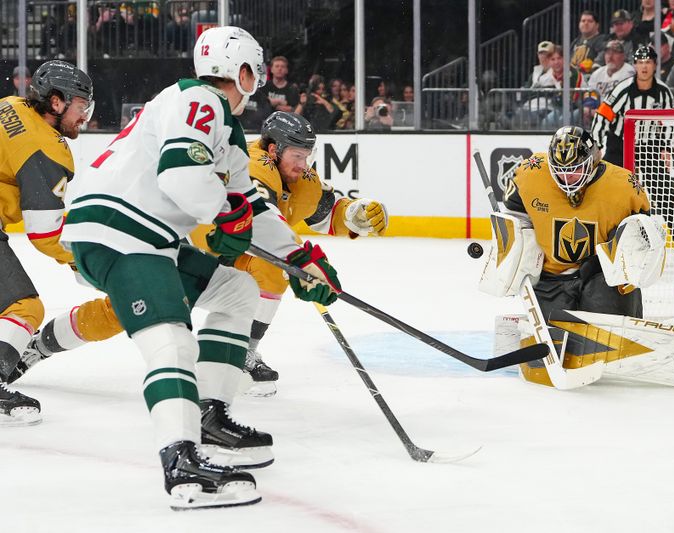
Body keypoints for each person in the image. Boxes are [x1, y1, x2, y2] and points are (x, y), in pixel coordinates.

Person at [57, 26, 340, 511]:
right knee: (171, 338)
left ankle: (209, 414)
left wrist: (299, 258)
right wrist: (225, 215)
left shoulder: (221, 126)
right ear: (243, 71)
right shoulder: (200, 101)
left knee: (237, 293)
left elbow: (247, 201)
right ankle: (181, 462)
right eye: (255, 69)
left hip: (146, 233)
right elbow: (182, 176)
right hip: (120, 229)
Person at [188, 111, 388, 395]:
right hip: (191, 252)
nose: (303, 164)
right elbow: (263, 218)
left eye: (307, 155)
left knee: (271, 268)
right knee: (125, 314)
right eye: (297, 155)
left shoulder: (299, 175)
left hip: (237, 251)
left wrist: (353, 215)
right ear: (273, 149)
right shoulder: (253, 164)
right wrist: (302, 262)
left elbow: (325, 213)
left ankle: (242, 352)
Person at [500, 126, 651, 384]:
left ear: (593, 160)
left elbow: (639, 239)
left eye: (575, 170)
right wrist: (514, 259)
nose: (568, 178)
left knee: (607, 326)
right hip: (551, 278)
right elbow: (515, 221)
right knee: (552, 345)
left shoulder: (624, 185)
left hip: (601, 276)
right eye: (560, 171)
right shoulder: (531, 173)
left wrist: (601, 263)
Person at [0, 61, 96, 426]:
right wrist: (83, 258)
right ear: (55, 103)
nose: (84, 115)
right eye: (80, 105)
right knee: (24, 308)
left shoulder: (11, 104)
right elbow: (44, 233)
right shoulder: (44, 147)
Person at [591, 45, 674, 167]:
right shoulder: (622, 89)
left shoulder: (664, 92)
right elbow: (602, 116)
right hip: (620, 145)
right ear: (635, 65)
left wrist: (666, 147)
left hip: (651, 146)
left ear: (655, 65)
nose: (644, 66)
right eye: (640, 62)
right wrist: (597, 146)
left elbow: (669, 123)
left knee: (662, 183)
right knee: (609, 179)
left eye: (648, 62)